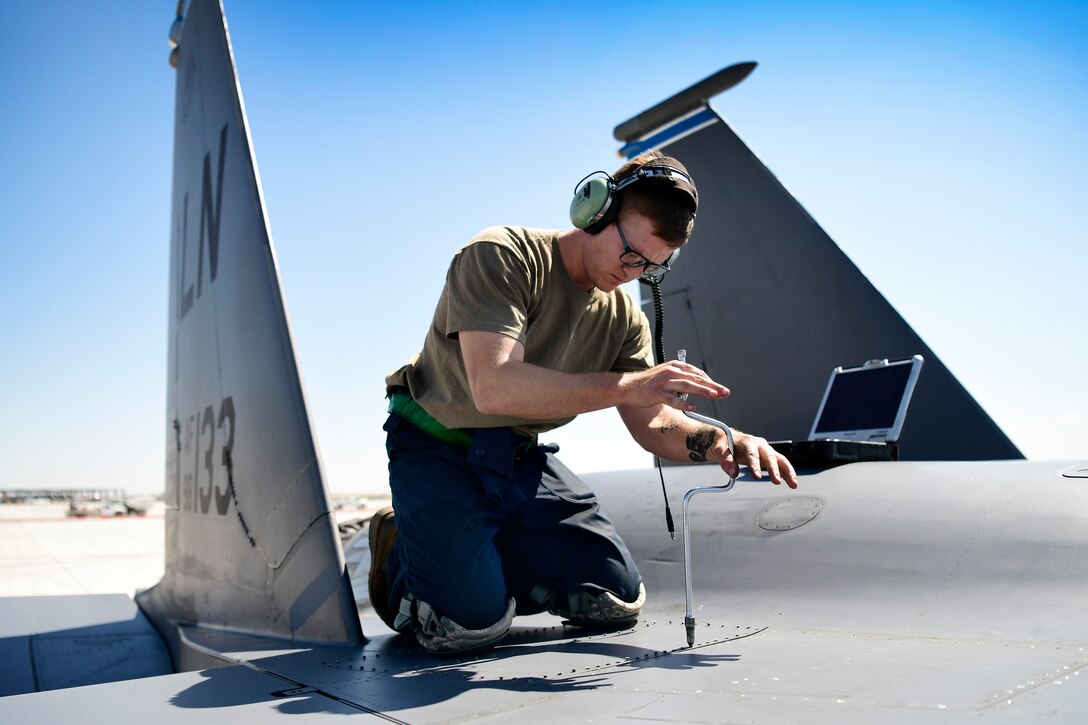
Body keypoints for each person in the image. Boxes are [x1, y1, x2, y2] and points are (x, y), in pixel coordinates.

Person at [370, 151, 798, 654]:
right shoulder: (502, 256)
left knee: (614, 597)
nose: (633, 272)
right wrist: (626, 386)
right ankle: (403, 547)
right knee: (465, 628)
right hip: (436, 444)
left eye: (651, 266)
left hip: (516, 455)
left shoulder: (623, 318)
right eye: (630, 254)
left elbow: (653, 422)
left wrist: (728, 441)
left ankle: (472, 551)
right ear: (595, 209)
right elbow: (494, 387)